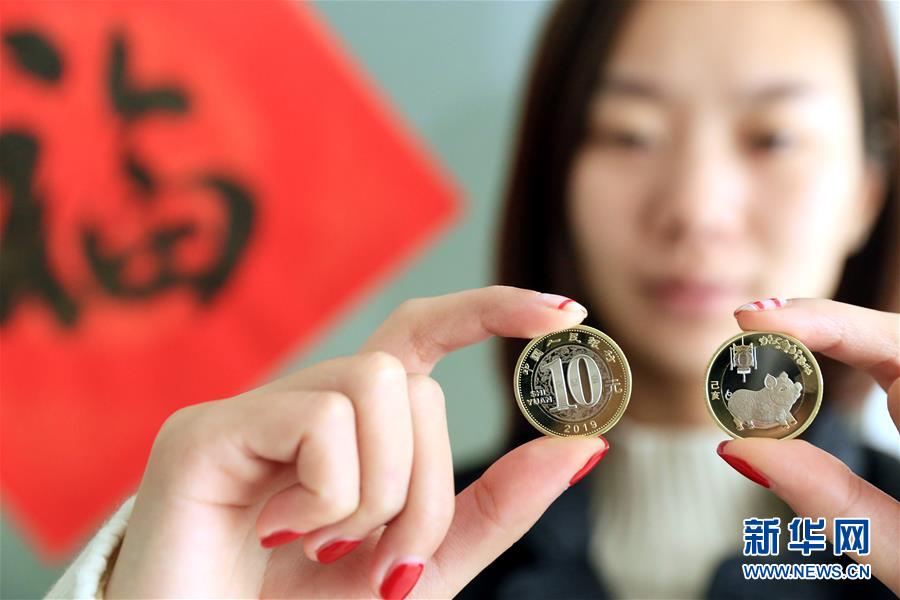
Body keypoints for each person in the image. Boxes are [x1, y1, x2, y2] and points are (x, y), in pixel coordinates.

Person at [45, 0, 898, 598]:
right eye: (629, 134)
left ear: (869, 186)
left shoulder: (881, 544)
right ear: (554, 172)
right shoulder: (365, 558)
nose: (695, 208)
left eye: (774, 137)